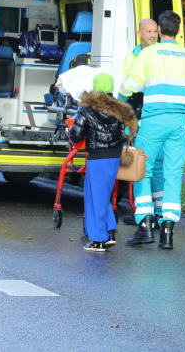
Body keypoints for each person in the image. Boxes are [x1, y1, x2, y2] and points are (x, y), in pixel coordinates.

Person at [120, 11, 185, 249]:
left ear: (158, 31)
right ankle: (167, 231)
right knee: (172, 174)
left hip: (153, 121)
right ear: (177, 31)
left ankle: (145, 226)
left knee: (141, 171)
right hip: (179, 123)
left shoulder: (148, 54)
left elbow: (129, 87)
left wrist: (119, 105)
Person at [69, 73, 138, 252]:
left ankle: (98, 239)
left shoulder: (87, 108)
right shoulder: (121, 109)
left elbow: (76, 134)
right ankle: (109, 230)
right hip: (114, 156)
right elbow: (129, 132)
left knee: (94, 197)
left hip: (96, 156)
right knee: (104, 194)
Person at [120, 18, 164, 227]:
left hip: (157, 113)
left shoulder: (162, 53)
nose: (152, 35)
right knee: (140, 163)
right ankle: (144, 212)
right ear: (139, 34)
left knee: (156, 165)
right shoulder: (132, 57)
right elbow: (131, 87)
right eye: (148, 31)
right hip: (139, 111)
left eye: (155, 31)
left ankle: (156, 213)